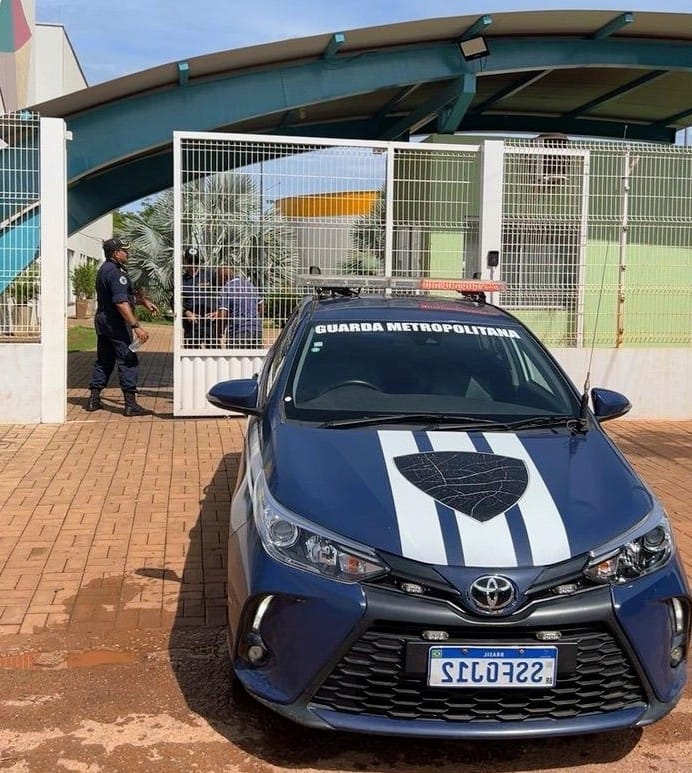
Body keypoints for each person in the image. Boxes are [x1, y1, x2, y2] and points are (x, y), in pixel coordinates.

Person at [85, 237, 159, 416]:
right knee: (128, 359)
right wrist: (136, 326)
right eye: (124, 250)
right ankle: (130, 404)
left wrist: (143, 301)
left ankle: (94, 399)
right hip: (116, 323)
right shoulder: (116, 274)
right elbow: (120, 302)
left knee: (104, 360)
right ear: (115, 253)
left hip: (103, 321)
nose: (128, 253)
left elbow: (121, 296)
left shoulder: (104, 269)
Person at [214, 265, 264, 348]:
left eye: (218, 278)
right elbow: (261, 304)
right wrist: (256, 318)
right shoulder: (249, 285)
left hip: (238, 331)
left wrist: (219, 331)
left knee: (235, 359)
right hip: (256, 329)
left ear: (223, 277)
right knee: (255, 359)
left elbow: (222, 315)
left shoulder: (226, 290)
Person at [181, 246, 220, 348]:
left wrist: (218, 311)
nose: (193, 265)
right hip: (191, 324)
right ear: (185, 261)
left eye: (196, 261)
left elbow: (222, 293)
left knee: (214, 356)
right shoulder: (181, 280)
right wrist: (186, 312)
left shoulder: (210, 275)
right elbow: (174, 301)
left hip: (210, 323)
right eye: (190, 261)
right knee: (190, 358)